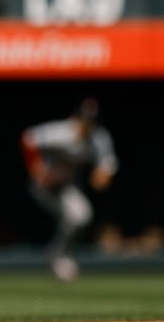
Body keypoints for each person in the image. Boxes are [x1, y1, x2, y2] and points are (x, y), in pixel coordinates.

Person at [20, 98, 119, 281]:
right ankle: (60, 257)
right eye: (83, 120)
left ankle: (57, 254)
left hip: (66, 186)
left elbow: (107, 165)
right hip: (43, 186)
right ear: (75, 118)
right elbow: (28, 138)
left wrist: (102, 175)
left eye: (90, 122)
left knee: (81, 216)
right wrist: (37, 169)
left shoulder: (99, 137)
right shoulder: (61, 131)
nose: (86, 126)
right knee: (73, 217)